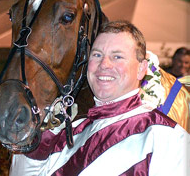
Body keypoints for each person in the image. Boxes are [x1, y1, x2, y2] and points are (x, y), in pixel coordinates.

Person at [10, 21, 189, 176]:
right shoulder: (64, 134)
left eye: (117, 56)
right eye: (97, 55)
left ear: (142, 69)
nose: (104, 64)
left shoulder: (166, 137)